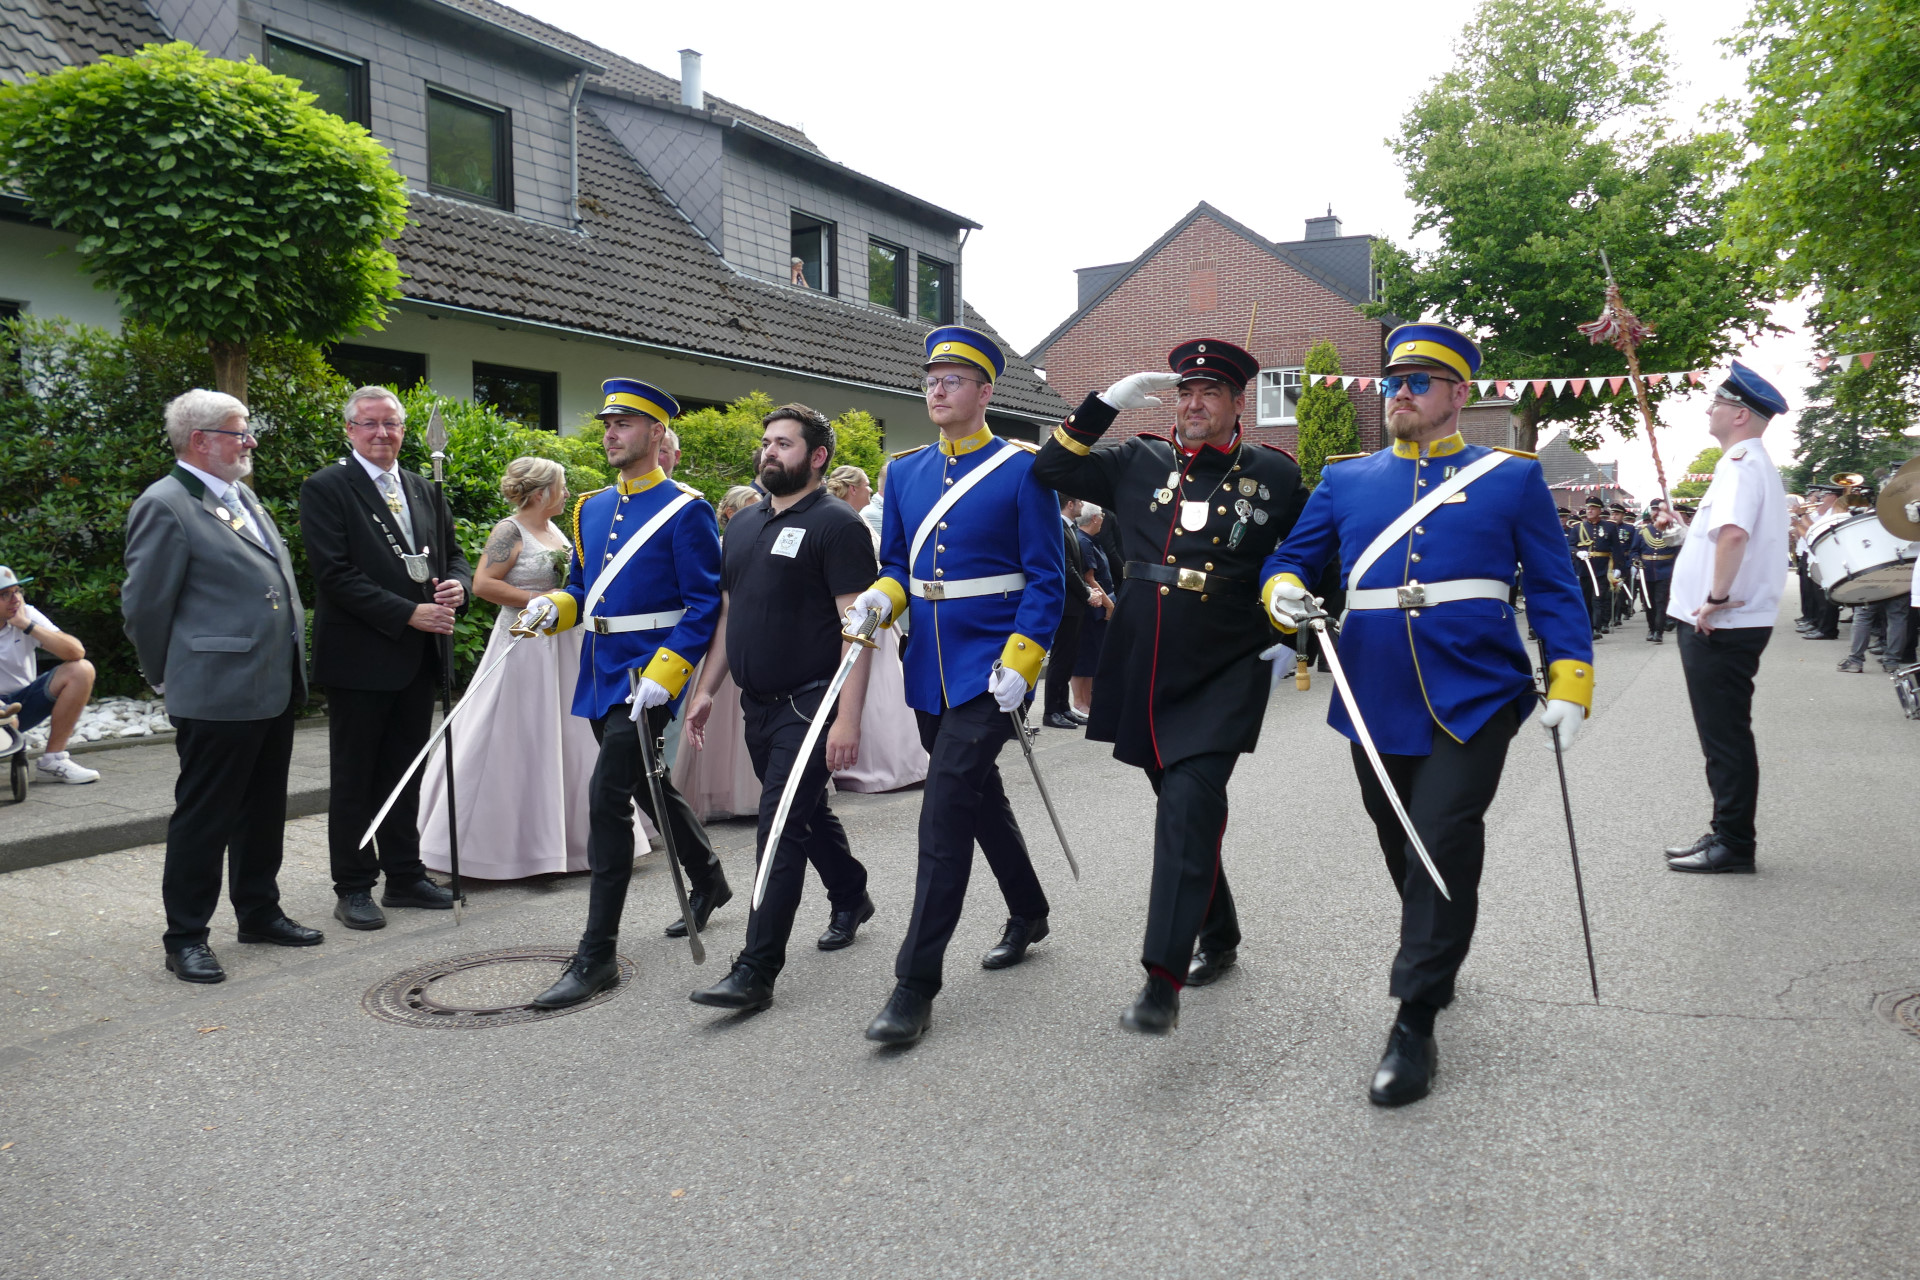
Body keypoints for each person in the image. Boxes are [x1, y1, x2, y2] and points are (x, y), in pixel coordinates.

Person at [1263, 324, 1593, 1105]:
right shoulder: (1345, 479)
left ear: (1458, 394)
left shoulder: (1511, 478)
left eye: (1417, 381)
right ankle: (1438, 942)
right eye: (1392, 381)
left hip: (1476, 690)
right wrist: (1282, 593)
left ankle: (1414, 1020)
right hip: (1372, 691)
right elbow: (1290, 560)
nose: (1400, 393)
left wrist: (1570, 681)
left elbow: (1553, 587)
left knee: (1441, 835)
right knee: (1399, 835)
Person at [1035, 338, 1305, 1032]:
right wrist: (1105, 403)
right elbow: (1051, 467)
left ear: (1238, 403)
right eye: (1185, 392)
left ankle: (1162, 978)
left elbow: (1314, 554)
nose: (1194, 404)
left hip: (1225, 663)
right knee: (1185, 809)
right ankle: (1220, 931)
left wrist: (1293, 634)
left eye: (1210, 393)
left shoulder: (1273, 474)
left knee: (1186, 808)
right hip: (1145, 660)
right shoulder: (1138, 459)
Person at [842, 325, 1066, 1046]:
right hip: (929, 669)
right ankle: (1029, 910)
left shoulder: (1023, 469)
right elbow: (898, 565)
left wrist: (1023, 663)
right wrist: (880, 599)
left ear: (985, 391)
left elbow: (1047, 578)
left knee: (942, 816)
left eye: (953, 380)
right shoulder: (904, 471)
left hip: (992, 670)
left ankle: (915, 984)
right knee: (978, 799)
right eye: (931, 380)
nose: (937, 390)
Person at [514, 377, 728, 1008]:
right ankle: (709, 876)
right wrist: (552, 608)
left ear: (657, 433)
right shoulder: (589, 507)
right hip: (601, 669)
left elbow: (703, 606)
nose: (610, 434)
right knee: (642, 783)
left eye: (624, 424)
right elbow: (584, 589)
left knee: (606, 795)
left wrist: (669, 674)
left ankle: (597, 954)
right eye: (607, 424)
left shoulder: (686, 510)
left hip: (647, 677)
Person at [685, 404, 882, 1013]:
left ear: (817, 457)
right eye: (766, 442)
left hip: (811, 703)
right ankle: (851, 893)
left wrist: (847, 718)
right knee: (804, 813)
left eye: (783, 444)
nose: (768, 451)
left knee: (779, 828)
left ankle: (756, 969)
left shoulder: (838, 526)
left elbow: (858, 630)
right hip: (757, 704)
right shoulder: (743, 523)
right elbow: (730, 615)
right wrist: (707, 688)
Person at [122, 389, 320, 983]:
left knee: (263, 809)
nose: (251, 441)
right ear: (200, 440)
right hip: (215, 688)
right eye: (240, 432)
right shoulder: (165, 504)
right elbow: (145, 607)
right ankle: (186, 936)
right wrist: (165, 673)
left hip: (270, 682)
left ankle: (258, 912)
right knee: (205, 818)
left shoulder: (238, 495)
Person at [418, 457, 653, 879]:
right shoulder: (509, 531)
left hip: (564, 643)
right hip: (524, 643)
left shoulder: (556, 530)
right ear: (542, 492)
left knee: (573, 734)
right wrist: (541, 602)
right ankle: (506, 846)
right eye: (561, 486)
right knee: (520, 732)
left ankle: (574, 841)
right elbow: (483, 584)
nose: (567, 493)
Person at [300, 387, 469, 930]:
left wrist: (458, 588)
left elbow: (454, 556)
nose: (381, 433)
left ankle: (404, 875)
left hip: (418, 657)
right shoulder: (327, 487)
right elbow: (334, 573)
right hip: (361, 655)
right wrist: (407, 613)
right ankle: (352, 885)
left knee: (405, 773)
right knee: (356, 778)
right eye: (369, 424)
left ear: (403, 430)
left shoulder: (422, 486)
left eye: (391, 423)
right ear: (350, 430)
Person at [1661, 364, 1791, 875]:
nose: (1708, 409)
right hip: (1731, 624)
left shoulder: (1739, 463)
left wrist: (1715, 597)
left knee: (1724, 738)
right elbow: (1724, 534)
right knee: (1725, 735)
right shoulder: (1749, 463)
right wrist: (1688, 527)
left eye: (1716, 403)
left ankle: (1734, 842)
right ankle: (1726, 831)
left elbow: (1734, 535)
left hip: (1721, 624)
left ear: (1739, 414)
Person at [825, 466, 929, 794]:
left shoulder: (858, 519)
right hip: (861, 616)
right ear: (852, 489)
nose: (870, 491)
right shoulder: (848, 522)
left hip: (880, 611)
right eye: (866, 485)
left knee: (887, 691)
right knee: (875, 692)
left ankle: (896, 762)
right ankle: (874, 764)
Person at [672, 485, 766, 821]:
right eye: (752, 506)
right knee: (717, 717)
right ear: (731, 512)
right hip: (720, 634)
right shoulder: (719, 545)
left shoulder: (759, 540)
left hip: (751, 635)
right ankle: (715, 792)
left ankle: (753, 791)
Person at [0, 566, 100, 784]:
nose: (15, 599)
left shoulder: (25, 614)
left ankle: (53, 761)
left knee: (81, 669)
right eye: (5, 594)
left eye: (17, 591)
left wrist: (26, 625)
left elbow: (75, 652)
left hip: (21, 704)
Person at [1043, 494, 1092, 729]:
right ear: (1070, 504)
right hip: (1066, 605)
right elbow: (1067, 568)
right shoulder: (1059, 528)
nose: (1082, 504)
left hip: (1074, 605)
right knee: (1060, 658)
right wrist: (1087, 593)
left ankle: (1063, 706)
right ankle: (1051, 710)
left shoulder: (1069, 528)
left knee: (1069, 658)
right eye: (1079, 501)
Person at [1071, 504, 1114, 718]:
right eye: (1102, 515)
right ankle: (1080, 702)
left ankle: (1088, 701)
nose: (1103, 519)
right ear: (1095, 518)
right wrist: (1109, 604)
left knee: (1093, 655)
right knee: (1085, 655)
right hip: (1092, 606)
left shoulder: (1092, 540)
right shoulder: (1084, 541)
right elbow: (1089, 578)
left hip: (1099, 601)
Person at [1628, 505, 1682, 642]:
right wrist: (1635, 560)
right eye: (1654, 510)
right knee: (1649, 602)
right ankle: (1651, 628)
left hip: (1665, 571)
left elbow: (1677, 552)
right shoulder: (1642, 531)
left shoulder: (1672, 531)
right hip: (1647, 571)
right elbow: (1634, 551)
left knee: (1661, 602)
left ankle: (1659, 631)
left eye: (1659, 510)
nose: (1657, 513)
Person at [1566, 499, 1611, 638]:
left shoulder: (1609, 527)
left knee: (1598, 598)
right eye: (1588, 508)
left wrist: (1618, 568)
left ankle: (1597, 627)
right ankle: (1589, 628)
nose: (1589, 511)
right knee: (1586, 600)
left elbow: (1616, 549)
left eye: (1593, 508)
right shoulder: (1578, 528)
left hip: (1602, 569)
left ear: (1599, 510)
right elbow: (1570, 546)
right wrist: (1577, 552)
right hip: (1585, 569)